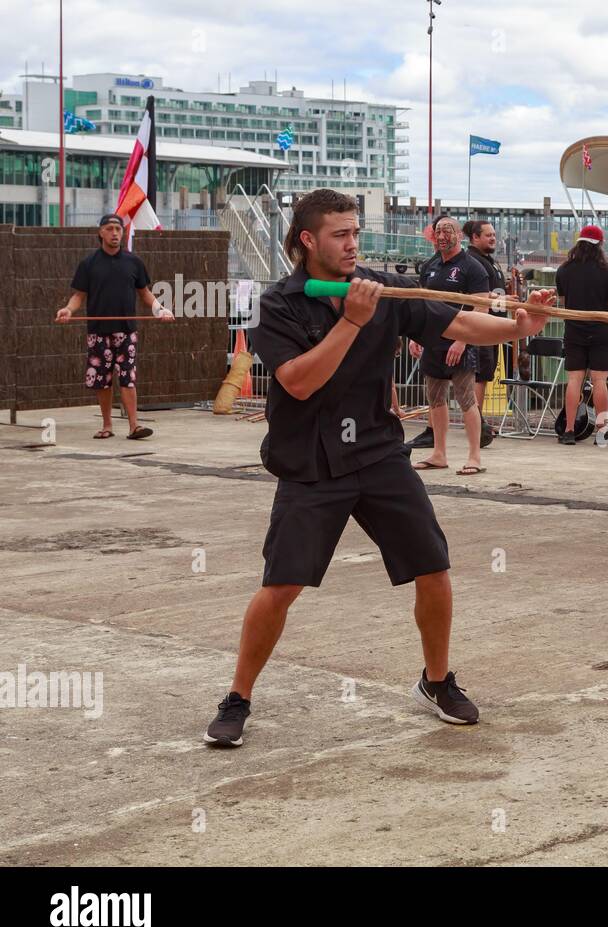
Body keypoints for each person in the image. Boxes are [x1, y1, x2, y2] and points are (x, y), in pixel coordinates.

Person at [201, 189, 549, 748]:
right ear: (307, 239)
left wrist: (519, 329)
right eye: (340, 234)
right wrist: (352, 322)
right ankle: (238, 695)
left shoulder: (381, 287)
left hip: (378, 451)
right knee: (282, 585)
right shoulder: (280, 304)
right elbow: (298, 380)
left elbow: (457, 325)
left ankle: (435, 681)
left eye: (355, 232)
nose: (352, 243)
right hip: (311, 461)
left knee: (433, 568)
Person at [55, 214, 175, 439]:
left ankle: (134, 426)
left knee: (128, 378)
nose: (115, 233)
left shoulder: (134, 262)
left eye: (118, 229)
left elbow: (145, 294)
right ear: (100, 232)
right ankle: (107, 425)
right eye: (110, 229)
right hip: (98, 332)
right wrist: (68, 310)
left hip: (126, 331)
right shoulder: (89, 264)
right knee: (102, 380)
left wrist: (161, 310)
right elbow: (78, 296)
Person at [411, 215, 489, 475]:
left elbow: (482, 306)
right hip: (433, 342)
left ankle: (474, 456)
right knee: (435, 397)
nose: (442, 236)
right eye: (438, 232)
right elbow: (420, 303)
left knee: (466, 399)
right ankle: (439, 452)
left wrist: (462, 341)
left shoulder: (473, 267)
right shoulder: (430, 265)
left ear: (459, 234)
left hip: (462, 344)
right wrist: (415, 336)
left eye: (447, 231)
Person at [554, 225, 608, 445]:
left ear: (579, 242)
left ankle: (568, 430)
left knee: (574, 380)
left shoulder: (564, 269)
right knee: (599, 381)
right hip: (601, 331)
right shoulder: (607, 272)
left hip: (574, 330)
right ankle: (602, 430)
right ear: (600, 245)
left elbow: (564, 302)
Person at [463, 219, 509, 424]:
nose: (493, 239)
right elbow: (477, 294)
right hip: (481, 325)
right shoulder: (472, 261)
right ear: (475, 237)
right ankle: (476, 423)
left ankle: (477, 421)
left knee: (485, 374)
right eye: (488, 235)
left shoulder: (488, 260)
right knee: (480, 375)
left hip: (493, 326)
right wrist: (503, 299)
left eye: (494, 235)